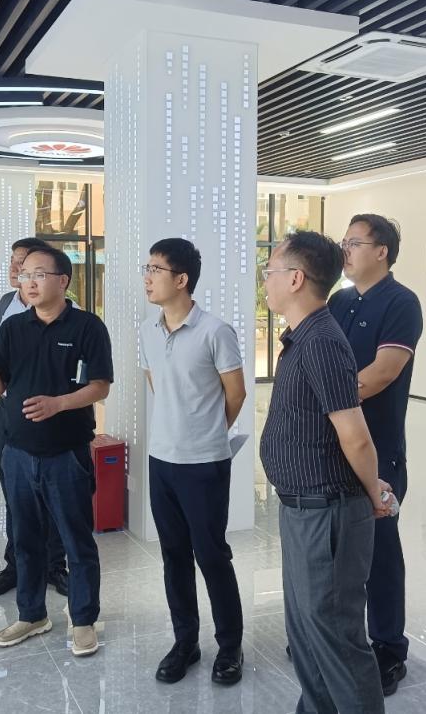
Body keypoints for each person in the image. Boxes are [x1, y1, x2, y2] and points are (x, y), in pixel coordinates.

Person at [259, 231, 389, 714]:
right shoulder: (303, 338)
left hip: (327, 513)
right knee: (307, 634)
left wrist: (374, 491)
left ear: (295, 279)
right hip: (301, 509)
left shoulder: (322, 342)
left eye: (269, 272)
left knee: (335, 638)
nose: (265, 282)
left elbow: (355, 436)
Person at [0, 245, 112, 657]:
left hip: (66, 453)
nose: (29, 281)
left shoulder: (87, 327)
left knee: (75, 541)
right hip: (18, 453)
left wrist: (59, 404)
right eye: (25, 274)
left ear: (63, 281)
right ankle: (31, 615)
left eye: (39, 274)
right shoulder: (14, 328)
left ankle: (83, 620)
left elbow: (100, 386)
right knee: (25, 539)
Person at [139, 238, 248, 686]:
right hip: (161, 460)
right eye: (146, 269)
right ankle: (185, 642)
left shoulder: (215, 331)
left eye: (156, 270)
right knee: (174, 556)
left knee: (211, 555)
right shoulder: (148, 330)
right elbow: (158, 385)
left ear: (181, 279)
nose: (147, 277)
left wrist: (206, 433)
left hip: (204, 463)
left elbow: (236, 393)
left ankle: (230, 646)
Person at [329, 214, 423, 696]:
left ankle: (388, 647)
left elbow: (383, 372)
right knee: (335, 549)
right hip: (333, 446)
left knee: (380, 552)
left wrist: (325, 398)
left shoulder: (401, 302)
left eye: (354, 243)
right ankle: (336, 638)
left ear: (381, 251)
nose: (345, 250)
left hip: (379, 449)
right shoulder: (339, 301)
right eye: (344, 242)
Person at [0, 236, 69, 600]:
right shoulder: (5, 305)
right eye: (15, 263)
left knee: (53, 495)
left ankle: (54, 565)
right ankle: (16, 565)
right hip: (9, 413)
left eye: (27, 264)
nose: (18, 269)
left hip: (52, 415)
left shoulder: (69, 314)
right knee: (14, 491)